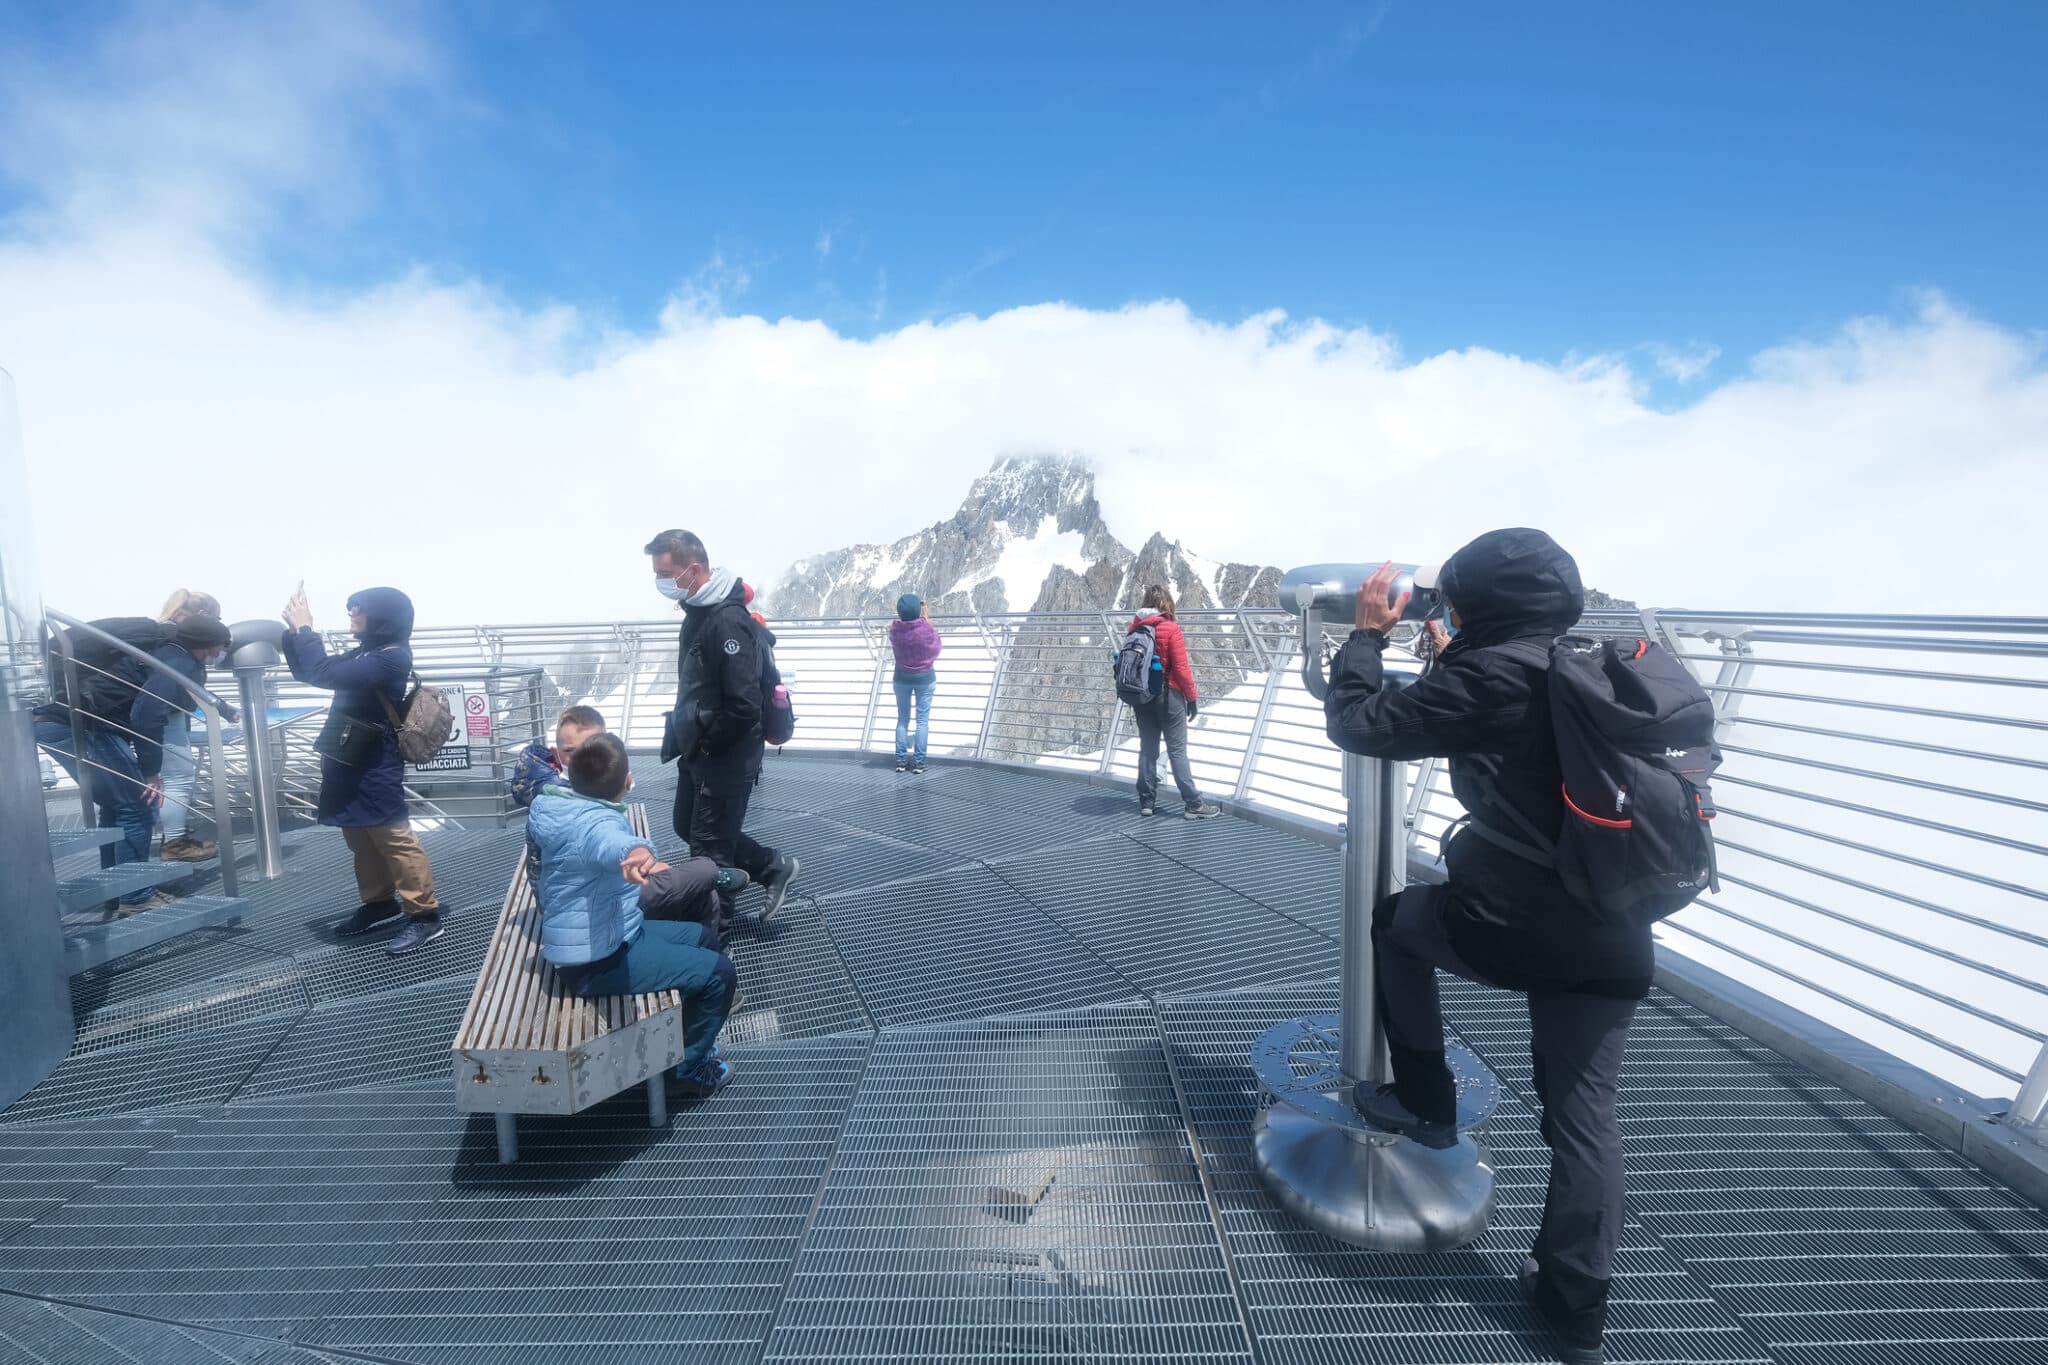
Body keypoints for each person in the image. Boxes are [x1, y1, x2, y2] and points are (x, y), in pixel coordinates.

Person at [1323, 534, 1634, 1365]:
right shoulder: (1593, 665)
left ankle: (1427, 1103)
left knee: (1399, 923)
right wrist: (1457, 657)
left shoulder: (1488, 677)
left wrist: (1364, 639)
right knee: (1585, 1119)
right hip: (1616, 926)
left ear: (1484, 607)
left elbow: (1361, 724)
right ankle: (1575, 1308)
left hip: (1516, 919)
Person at [529, 733, 738, 1097]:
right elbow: (608, 842)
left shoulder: (559, 806)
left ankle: (688, 1039)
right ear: (625, 783)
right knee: (721, 974)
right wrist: (636, 852)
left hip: (609, 937)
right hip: (596, 962)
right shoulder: (594, 825)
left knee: (702, 937)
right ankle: (686, 1071)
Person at [647, 528, 801, 931]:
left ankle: (716, 945)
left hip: (724, 755)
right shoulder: (698, 611)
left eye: (665, 573)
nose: (660, 583)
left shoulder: (726, 622)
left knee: (709, 851)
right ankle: (771, 866)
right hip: (699, 747)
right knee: (687, 823)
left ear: (693, 569)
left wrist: (708, 745)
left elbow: (745, 705)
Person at [281, 584, 446, 956]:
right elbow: (311, 672)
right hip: (348, 754)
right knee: (359, 835)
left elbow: (325, 674)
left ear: (383, 617)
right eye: (350, 607)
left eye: (358, 608)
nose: (351, 614)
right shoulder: (369, 651)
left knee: (393, 836)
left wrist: (306, 631)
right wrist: (295, 633)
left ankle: (424, 913)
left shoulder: (392, 657)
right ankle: (379, 902)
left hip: (376, 760)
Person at [31, 614, 179, 913]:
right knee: (138, 806)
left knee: (117, 806)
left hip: (55, 719)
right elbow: (148, 715)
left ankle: (118, 889)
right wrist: (151, 771)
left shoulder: (139, 647)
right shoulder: (162, 656)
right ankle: (136, 896)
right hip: (76, 723)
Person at [131, 616, 234, 864]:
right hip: (167, 720)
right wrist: (151, 771)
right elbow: (147, 714)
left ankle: (175, 839)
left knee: (177, 778)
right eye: (222, 645)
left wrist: (224, 709)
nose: (222, 652)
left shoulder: (175, 654)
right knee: (178, 779)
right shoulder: (179, 663)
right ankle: (175, 844)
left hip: (170, 717)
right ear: (207, 644)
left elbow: (192, 688)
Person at [1126, 586, 1220, 820]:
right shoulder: (1171, 628)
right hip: (1169, 698)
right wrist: (1192, 697)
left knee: (1147, 749)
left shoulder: (1135, 627)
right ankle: (1193, 804)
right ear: (1167, 603)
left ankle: (1147, 801)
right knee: (1177, 751)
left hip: (1142, 697)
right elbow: (1180, 668)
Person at [151, 589, 226, 861]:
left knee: (171, 777)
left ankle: (172, 834)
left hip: (169, 712)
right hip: (166, 714)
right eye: (217, 620)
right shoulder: (176, 640)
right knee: (178, 777)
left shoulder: (163, 633)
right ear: (204, 616)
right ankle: (173, 843)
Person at [510, 705, 607, 810]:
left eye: (592, 750)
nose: (583, 760)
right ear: (556, 755)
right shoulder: (550, 797)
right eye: (570, 751)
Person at [888, 593, 941, 773]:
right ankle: (919, 762)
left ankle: (901, 760)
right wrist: (926, 620)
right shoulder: (925, 629)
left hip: (901, 678)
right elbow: (936, 647)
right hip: (925, 679)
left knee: (903, 719)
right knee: (922, 721)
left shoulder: (894, 630)